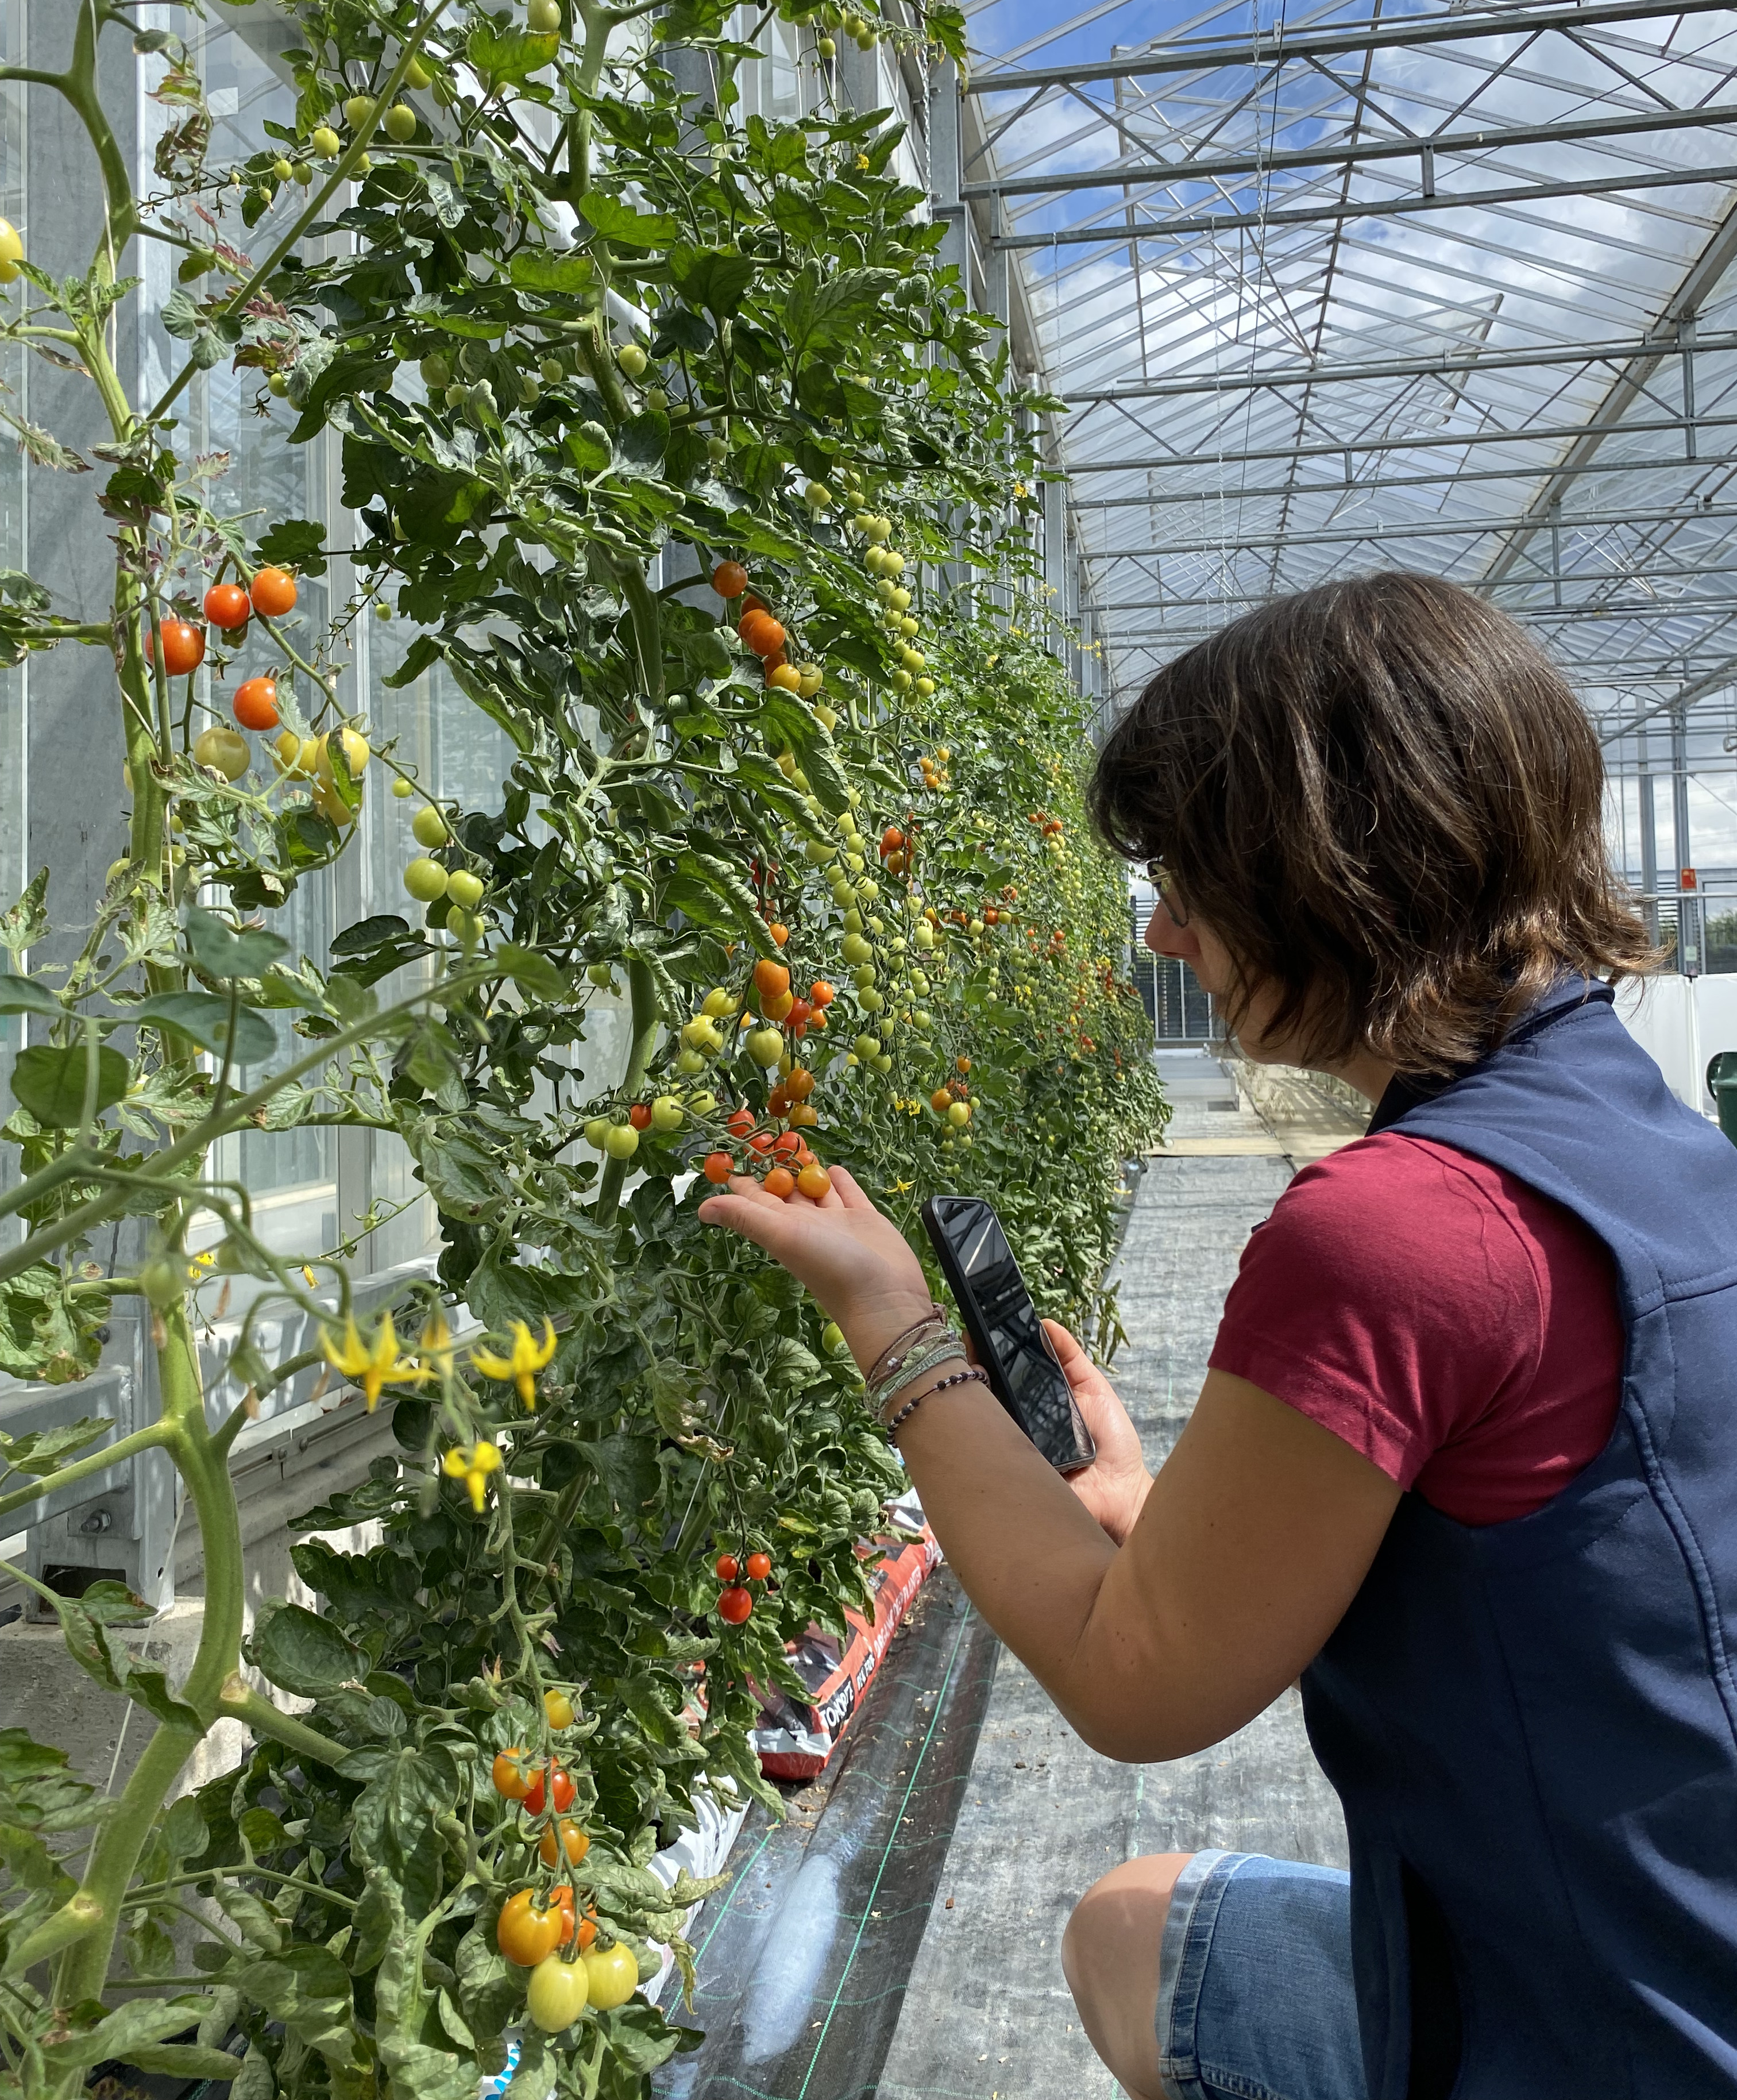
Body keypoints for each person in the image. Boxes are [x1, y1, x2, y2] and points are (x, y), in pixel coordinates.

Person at [697, 572, 1737, 2100]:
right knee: (1141, 1937)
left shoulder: (1399, 1232)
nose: (1168, 930)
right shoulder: (1650, 1147)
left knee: (1130, 1938)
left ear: (1334, 876)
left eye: (1197, 881)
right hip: (1676, 1954)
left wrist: (892, 1321)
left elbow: (1136, 1683)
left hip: (1598, 2046)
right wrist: (1145, 1516)